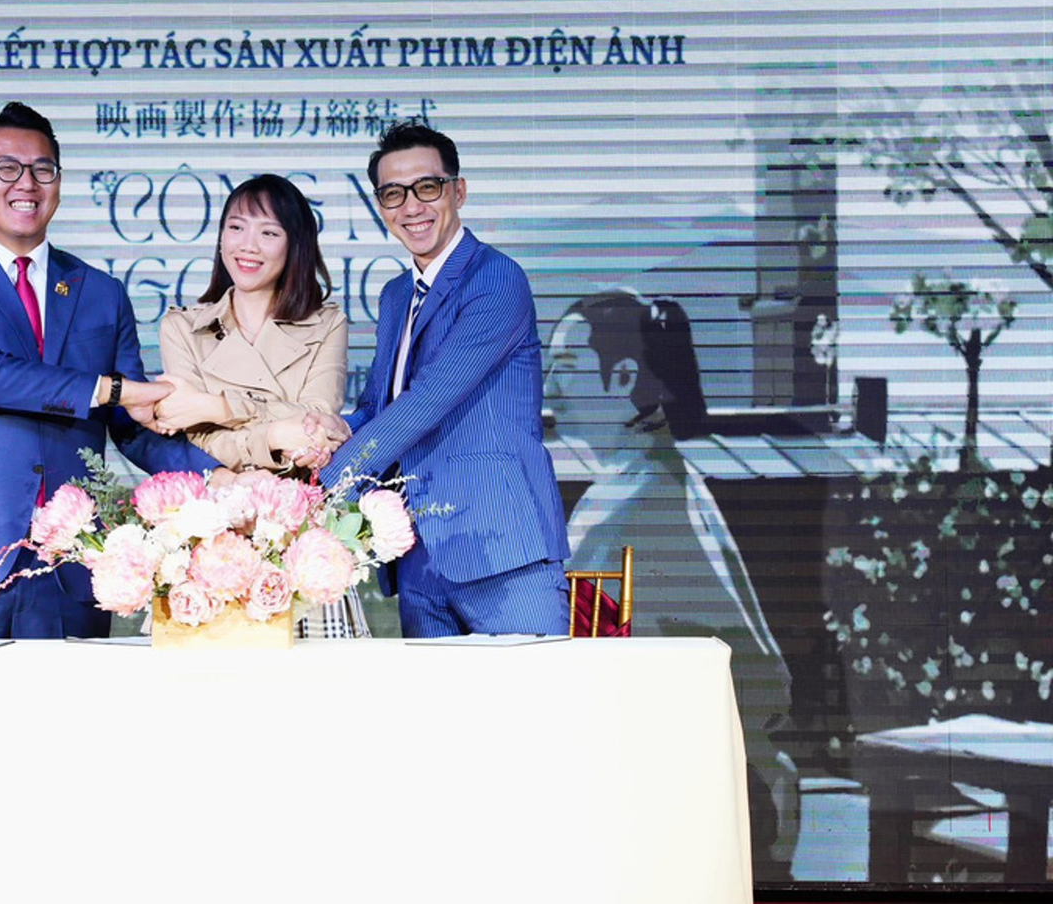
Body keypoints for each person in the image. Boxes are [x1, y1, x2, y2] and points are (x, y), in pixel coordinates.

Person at [0, 102, 220, 639]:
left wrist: (219, 476)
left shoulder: (100, 292)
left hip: (69, 564)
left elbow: (132, 423)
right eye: (6, 168)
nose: (27, 183)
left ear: (58, 183)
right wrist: (112, 389)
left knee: (68, 700)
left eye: (43, 169)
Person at [545, 288, 799, 877]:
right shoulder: (663, 478)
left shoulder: (619, 510)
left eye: (567, 367)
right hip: (738, 788)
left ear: (622, 378)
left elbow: (586, 664)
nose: (550, 387)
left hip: (697, 801)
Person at [315, 120, 572, 637]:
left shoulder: (496, 278)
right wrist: (322, 435)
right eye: (393, 194)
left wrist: (324, 488)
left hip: (501, 547)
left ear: (458, 191)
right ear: (381, 207)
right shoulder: (395, 296)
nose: (411, 207)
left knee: (535, 691)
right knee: (431, 696)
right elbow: (379, 406)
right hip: (417, 552)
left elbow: (427, 400)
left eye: (427, 187)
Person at [150, 174, 363, 637]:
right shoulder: (183, 327)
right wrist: (274, 434)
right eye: (236, 227)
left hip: (299, 536)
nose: (247, 245)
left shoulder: (326, 323)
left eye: (268, 232)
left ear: (295, 245)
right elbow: (196, 441)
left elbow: (314, 430)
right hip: (211, 538)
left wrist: (218, 406)